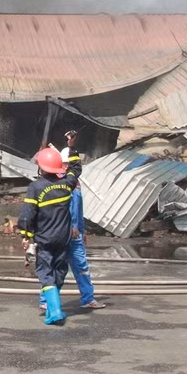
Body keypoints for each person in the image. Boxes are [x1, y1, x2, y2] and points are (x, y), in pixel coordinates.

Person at [17, 146, 82, 325]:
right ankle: (54, 306)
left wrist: (25, 234)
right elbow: (76, 170)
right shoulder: (66, 184)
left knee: (46, 273)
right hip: (63, 238)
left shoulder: (35, 187)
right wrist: (73, 147)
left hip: (45, 240)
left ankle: (54, 311)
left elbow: (28, 214)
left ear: (41, 167)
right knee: (60, 271)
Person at [61, 131, 106, 311]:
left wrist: (81, 229)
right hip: (63, 233)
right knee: (56, 268)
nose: (72, 166)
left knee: (82, 267)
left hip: (76, 234)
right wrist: (71, 227)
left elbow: (77, 211)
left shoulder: (75, 185)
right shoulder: (59, 185)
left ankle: (88, 298)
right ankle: (46, 300)